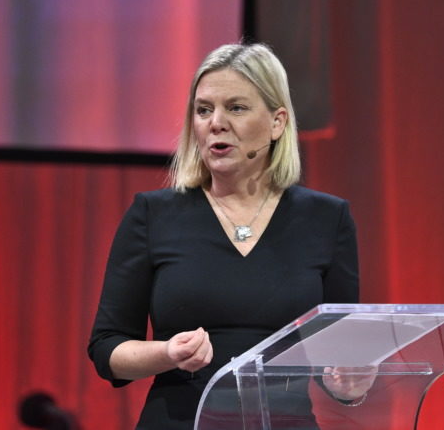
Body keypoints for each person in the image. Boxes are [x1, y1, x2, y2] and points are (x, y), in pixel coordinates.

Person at [88, 43, 366, 430]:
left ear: (277, 122)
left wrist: (351, 381)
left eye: (236, 108)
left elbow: (336, 357)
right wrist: (168, 352)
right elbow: (108, 348)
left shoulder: (326, 218)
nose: (215, 122)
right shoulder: (153, 215)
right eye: (204, 110)